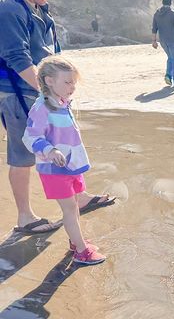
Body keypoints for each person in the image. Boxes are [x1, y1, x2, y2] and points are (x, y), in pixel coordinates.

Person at [23, 56, 110, 264]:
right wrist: (50, 150)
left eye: (74, 82)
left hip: (70, 166)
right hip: (55, 169)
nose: (72, 87)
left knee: (74, 206)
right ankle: (81, 251)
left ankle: (75, 241)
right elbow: (30, 136)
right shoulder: (42, 107)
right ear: (49, 81)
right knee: (70, 209)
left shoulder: (61, 102)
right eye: (67, 82)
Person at [0, 0, 62, 234]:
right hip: (16, 93)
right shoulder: (9, 10)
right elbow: (17, 57)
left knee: (61, 142)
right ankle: (25, 217)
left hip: (33, 91)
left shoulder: (36, 8)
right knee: (23, 154)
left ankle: (77, 197)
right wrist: (48, 91)